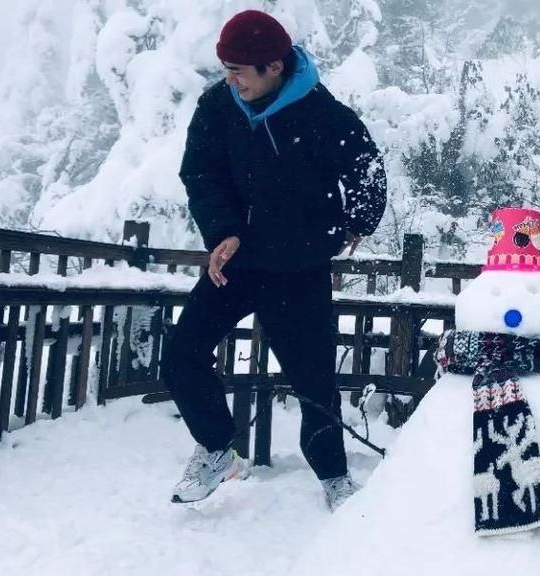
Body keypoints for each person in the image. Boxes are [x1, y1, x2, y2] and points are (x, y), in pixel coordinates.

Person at [162, 10, 386, 509]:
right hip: (238, 265)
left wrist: (356, 223)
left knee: (314, 384)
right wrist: (222, 232)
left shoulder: (322, 114)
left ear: (275, 67)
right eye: (225, 68)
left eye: (239, 70)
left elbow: (367, 168)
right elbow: (200, 173)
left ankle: (334, 478)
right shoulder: (218, 106)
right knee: (180, 357)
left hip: (299, 269)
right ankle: (218, 448)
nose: (230, 79)